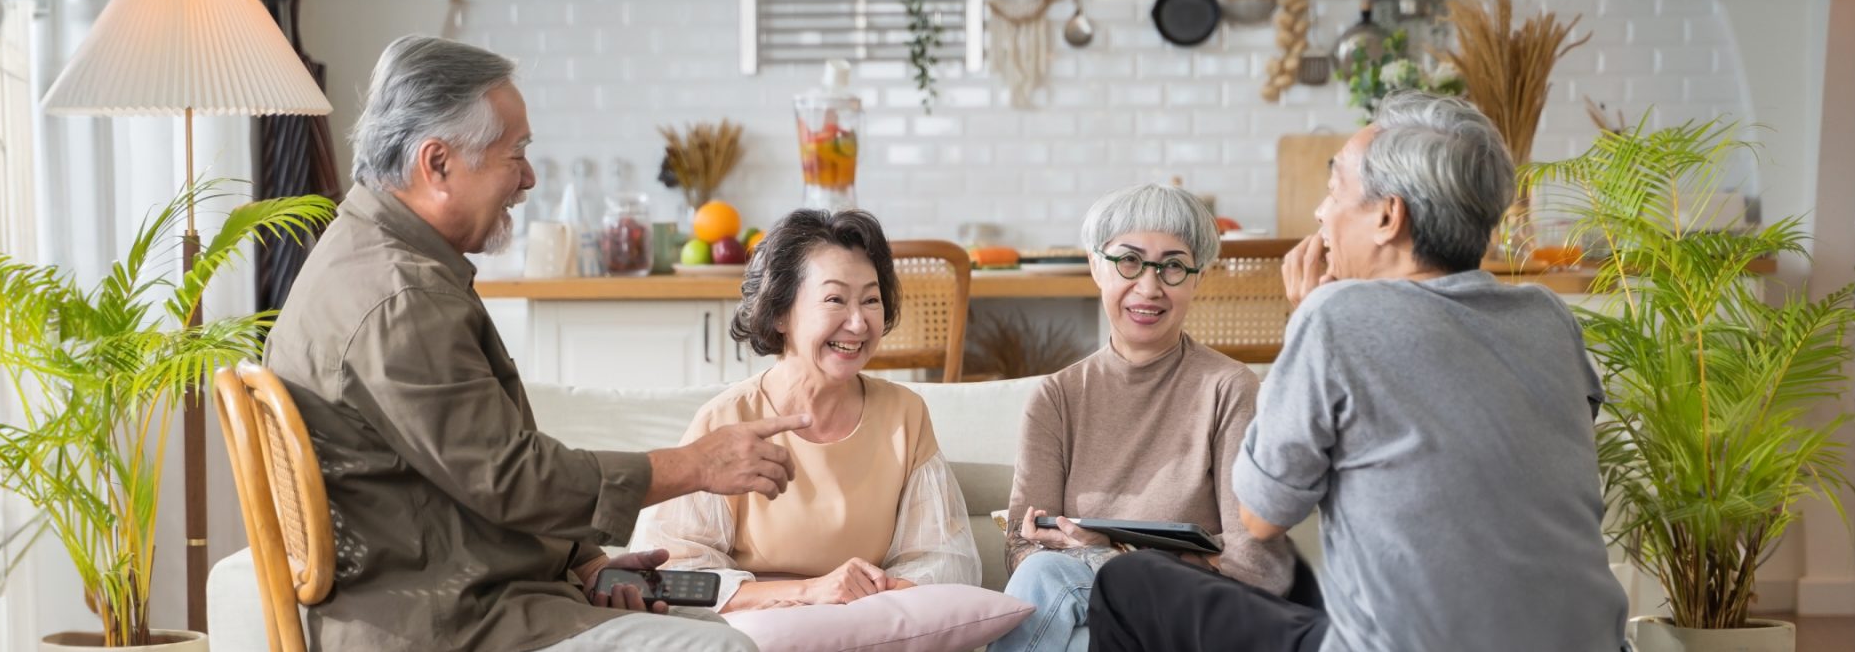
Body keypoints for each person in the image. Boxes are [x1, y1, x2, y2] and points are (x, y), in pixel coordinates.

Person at [267, 36, 796, 652]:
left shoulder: (361, 257)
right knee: (722, 648)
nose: (528, 178)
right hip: (447, 623)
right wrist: (696, 465)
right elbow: (510, 478)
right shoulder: (403, 299)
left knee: (706, 628)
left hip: (455, 595)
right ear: (437, 163)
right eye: (514, 153)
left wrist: (586, 563)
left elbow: (461, 473)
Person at [1085, 92, 1630, 651]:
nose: (1320, 214)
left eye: (1334, 190)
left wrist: (1304, 321)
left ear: (1388, 217)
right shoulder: (1547, 315)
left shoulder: (1336, 314)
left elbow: (1260, 515)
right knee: (1301, 582)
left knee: (1129, 582)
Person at [992, 183, 1297, 652]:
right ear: (1096, 266)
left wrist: (1113, 556)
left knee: (1052, 579)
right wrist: (1077, 556)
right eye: (1129, 261)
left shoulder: (1229, 389)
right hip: (1089, 617)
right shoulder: (1057, 397)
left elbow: (1256, 564)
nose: (1149, 287)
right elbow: (1021, 547)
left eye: (1173, 266)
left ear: (1197, 278)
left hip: (1193, 612)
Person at [635, 209, 981, 612]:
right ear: (780, 312)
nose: (857, 322)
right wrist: (809, 592)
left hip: (869, 627)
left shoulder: (905, 415)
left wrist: (867, 601)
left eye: (871, 299)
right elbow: (664, 578)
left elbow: (944, 561)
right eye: (835, 299)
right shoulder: (727, 420)